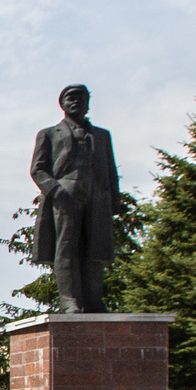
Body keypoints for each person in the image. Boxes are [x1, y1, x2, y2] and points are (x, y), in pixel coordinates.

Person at [29, 84, 117, 314]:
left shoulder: (102, 135)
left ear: (88, 104)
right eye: (71, 98)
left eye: (81, 98)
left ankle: (94, 300)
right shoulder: (48, 134)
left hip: (97, 196)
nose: (76, 101)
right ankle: (69, 300)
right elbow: (37, 170)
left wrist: (113, 202)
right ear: (62, 104)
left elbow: (110, 170)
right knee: (66, 248)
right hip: (66, 195)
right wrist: (56, 191)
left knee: (95, 250)